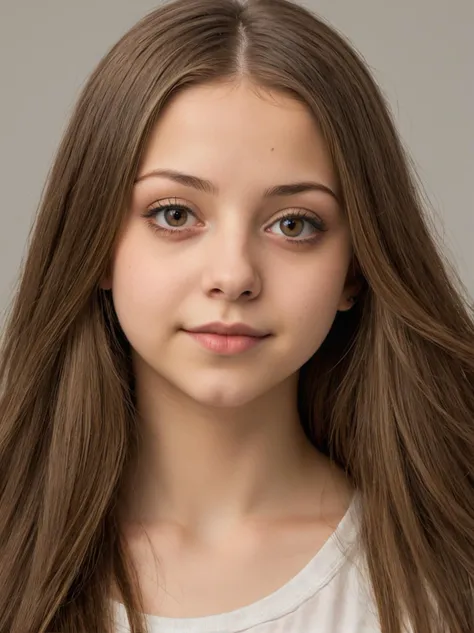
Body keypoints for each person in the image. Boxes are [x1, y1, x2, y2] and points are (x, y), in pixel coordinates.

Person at [0, 0, 472, 631]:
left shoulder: (447, 577)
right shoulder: (13, 557)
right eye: (174, 214)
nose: (233, 276)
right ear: (98, 247)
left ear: (355, 270)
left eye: (293, 224)